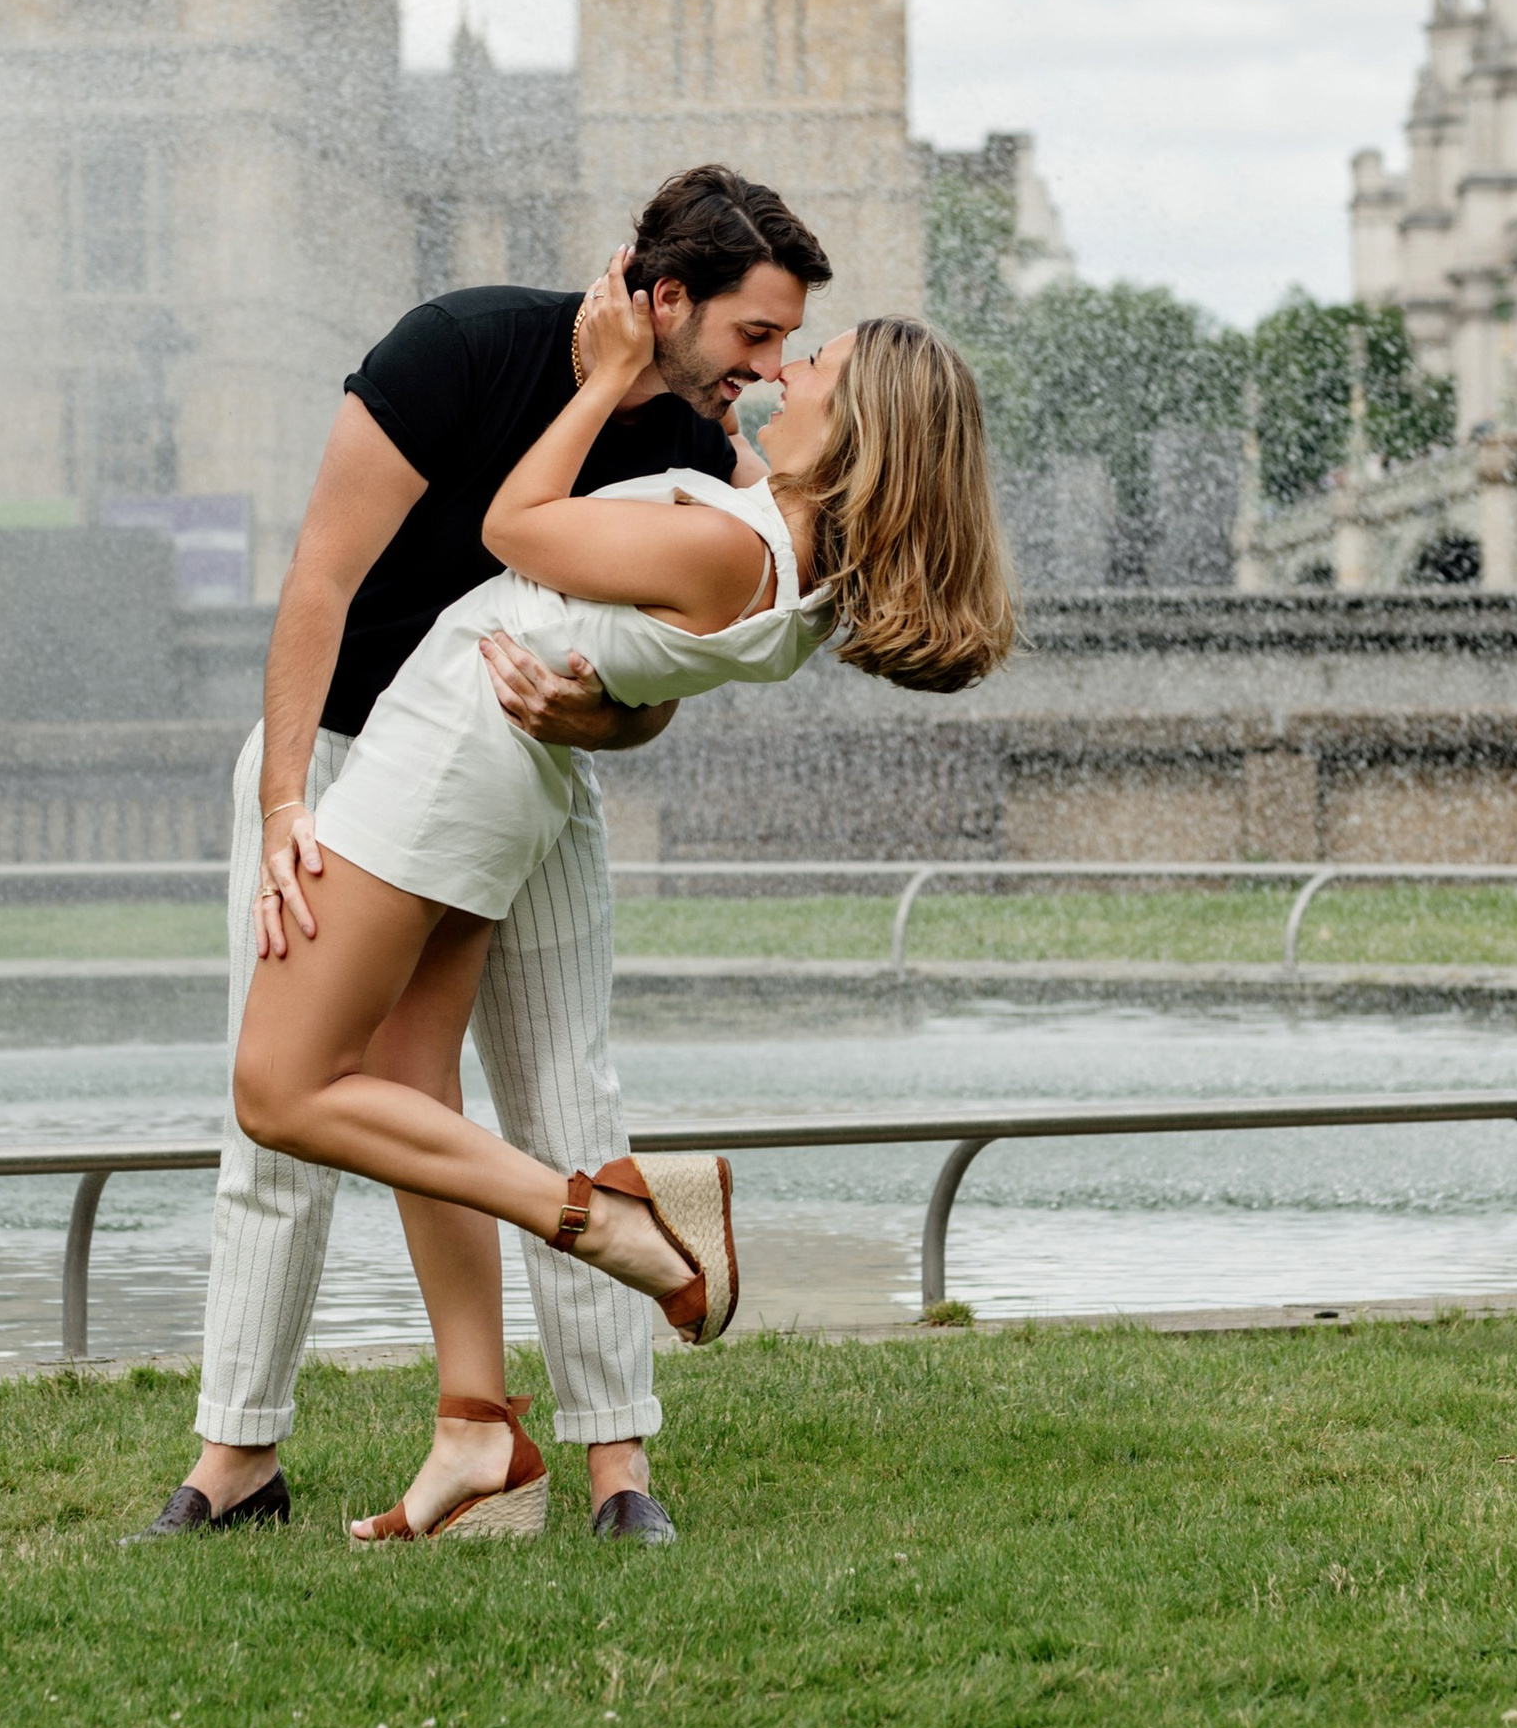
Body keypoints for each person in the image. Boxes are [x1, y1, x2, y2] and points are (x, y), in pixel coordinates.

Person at [229, 266, 1014, 1542]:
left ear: (858, 427)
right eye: (771, 342)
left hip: (446, 751)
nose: (781, 370)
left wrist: (598, 383)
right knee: (412, 1081)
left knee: (282, 1087)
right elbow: (641, 654)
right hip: (493, 754)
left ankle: (606, 1217)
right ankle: (479, 1437)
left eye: (811, 365)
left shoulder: (730, 546)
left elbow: (513, 524)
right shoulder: (787, 555)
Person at [131, 163, 832, 1546]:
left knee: (561, 1089)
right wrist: (284, 806)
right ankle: (239, 1458)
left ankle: (616, 1468)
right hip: (337, 761)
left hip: (528, 773)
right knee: (292, 1119)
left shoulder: (695, 452)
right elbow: (319, 581)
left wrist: (599, 721)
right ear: (667, 298)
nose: (763, 372)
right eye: (753, 334)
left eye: (783, 345)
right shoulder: (456, 347)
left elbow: (655, 683)